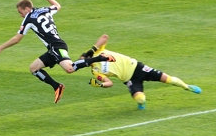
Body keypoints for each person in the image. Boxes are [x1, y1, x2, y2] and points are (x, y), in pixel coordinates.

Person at [0, 0, 83, 103]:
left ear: (27, 9)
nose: (20, 15)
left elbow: (16, 39)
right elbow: (57, 6)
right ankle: (57, 86)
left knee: (69, 69)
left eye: (20, 12)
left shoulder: (28, 18)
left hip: (56, 46)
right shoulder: (44, 10)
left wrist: (1, 47)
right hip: (53, 48)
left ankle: (95, 58)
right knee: (34, 68)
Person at [72, 34, 202, 110]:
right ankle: (142, 102)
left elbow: (105, 36)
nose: (85, 59)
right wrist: (99, 84)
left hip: (138, 68)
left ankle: (187, 87)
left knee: (169, 79)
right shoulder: (96, 71)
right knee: (140, 99)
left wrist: (92, 48)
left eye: (84, 57)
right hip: (130, 79)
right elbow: (109, 83)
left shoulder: (97, 51)